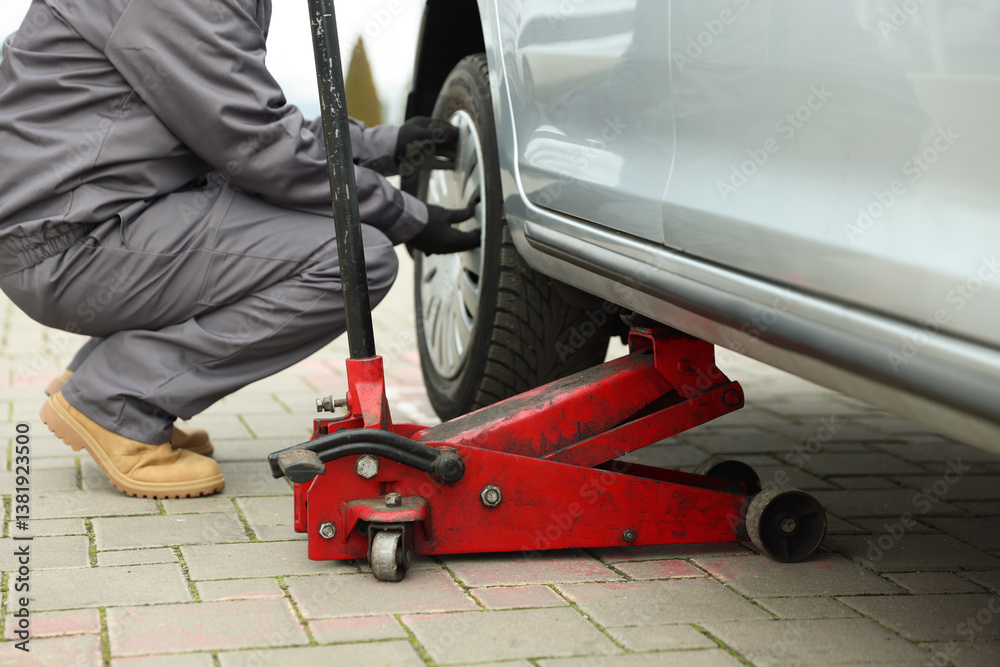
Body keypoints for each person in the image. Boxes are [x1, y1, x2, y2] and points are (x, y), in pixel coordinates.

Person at [0, 1, 479, 499]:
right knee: (357, 257)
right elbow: (258, 146)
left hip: (78, 217)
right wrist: (408, 216)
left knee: (317, 234)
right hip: (70, 240)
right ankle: (118, 399)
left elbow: (243, 121)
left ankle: (101, 377)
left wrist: (385, 145)